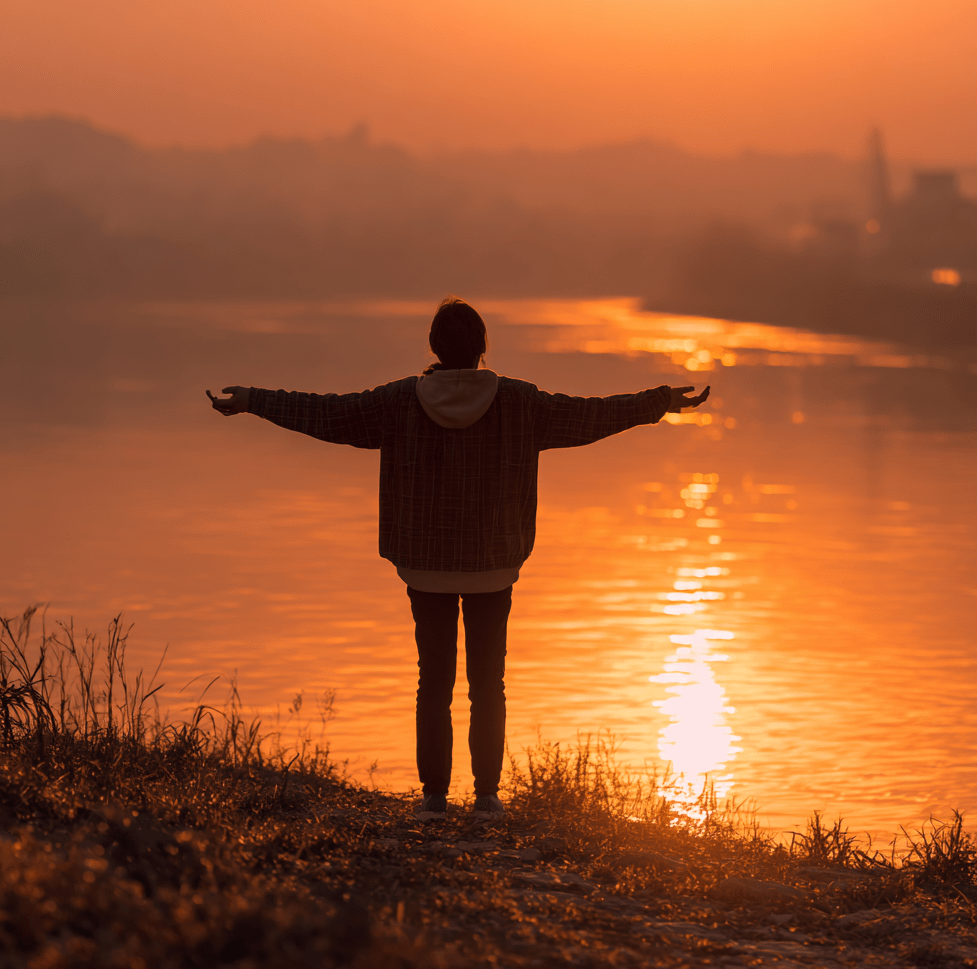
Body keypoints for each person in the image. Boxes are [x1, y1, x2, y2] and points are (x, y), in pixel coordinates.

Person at [207, 296, 709, 821]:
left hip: (425, 563)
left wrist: (252, 400)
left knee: (434, 681)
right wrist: (659, 401)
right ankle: (487, 797)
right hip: (493, 563)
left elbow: (328, 412)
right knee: (488, 682)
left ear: (434, 347)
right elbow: (591, 414)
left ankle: (432, 798)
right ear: (481, 348)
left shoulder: (397, 402)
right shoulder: (519, 402)